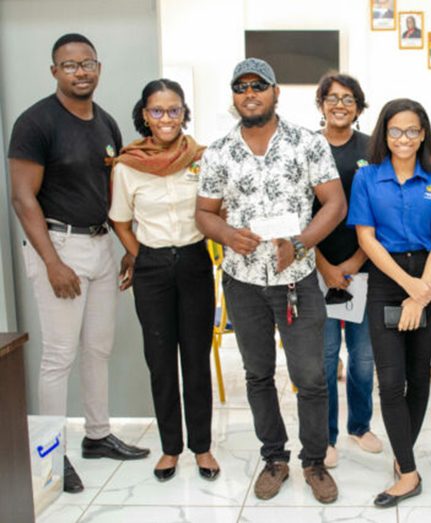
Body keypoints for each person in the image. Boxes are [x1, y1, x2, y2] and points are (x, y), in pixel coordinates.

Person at [195, 58, 346, 504]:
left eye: (258, 85)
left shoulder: (306, 144)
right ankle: (275, 458)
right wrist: (226, 234)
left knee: (311, 376)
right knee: (258, 374)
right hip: (242, 281)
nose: (249, 93)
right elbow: (204, 212)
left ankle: (315, 462)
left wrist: (300, 245)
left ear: (275, 92)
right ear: (234, 96)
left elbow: (334, 205)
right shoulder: (219, 151)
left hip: (296, 279)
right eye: (240, 87)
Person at [8, 33, 150, 495]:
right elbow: (22, 196)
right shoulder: (35, 122)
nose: (80, 71)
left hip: (100, 245)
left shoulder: (105, 123)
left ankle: (97, 435)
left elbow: (112, 193)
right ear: (54, 72)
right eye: (69, 65)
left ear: (98, 67)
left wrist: (128, 246)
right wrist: (51, 261)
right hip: (59, 246)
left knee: (99, 348)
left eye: (87, 63)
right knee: (58, 357)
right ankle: (50, 452)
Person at [109, 79, 218, 482]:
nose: (166, 118)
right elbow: (120, 220)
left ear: (184, 113)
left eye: (174, 110)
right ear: (144, 115)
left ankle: (202, 448)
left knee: (195, 359)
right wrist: (144, 258)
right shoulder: (127, 166)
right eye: (157, 111)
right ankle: (170, 448)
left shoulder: (202, 158)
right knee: (160, 362)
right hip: (151, 266)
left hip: (194, 261)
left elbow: (215, 210)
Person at [348, 98, 431, 507]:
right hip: (385, 279)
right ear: (384, 134)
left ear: (423, 133)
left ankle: (401, 457)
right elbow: (366, 239)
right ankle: (409, 473)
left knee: (419, 376)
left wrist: (422, 289)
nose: (404, 138)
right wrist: (409, 287)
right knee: (391, 381)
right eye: (395, 131)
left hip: (428, 276)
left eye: (412, 130)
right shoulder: (368, 178)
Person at [313, 72, 383, 468]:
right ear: (321, 103)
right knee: (323, 357)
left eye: (349, 98)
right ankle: (325, 436)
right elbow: (298, 211)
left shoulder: (371, 148)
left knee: (363, 357)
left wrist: (355, 263)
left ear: (359, 105)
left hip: (364, 267)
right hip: (316, 267)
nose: (340, 104)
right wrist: (323, 265)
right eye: (332, 98)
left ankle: (360, 425)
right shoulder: (306, 146)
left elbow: (378, 208)